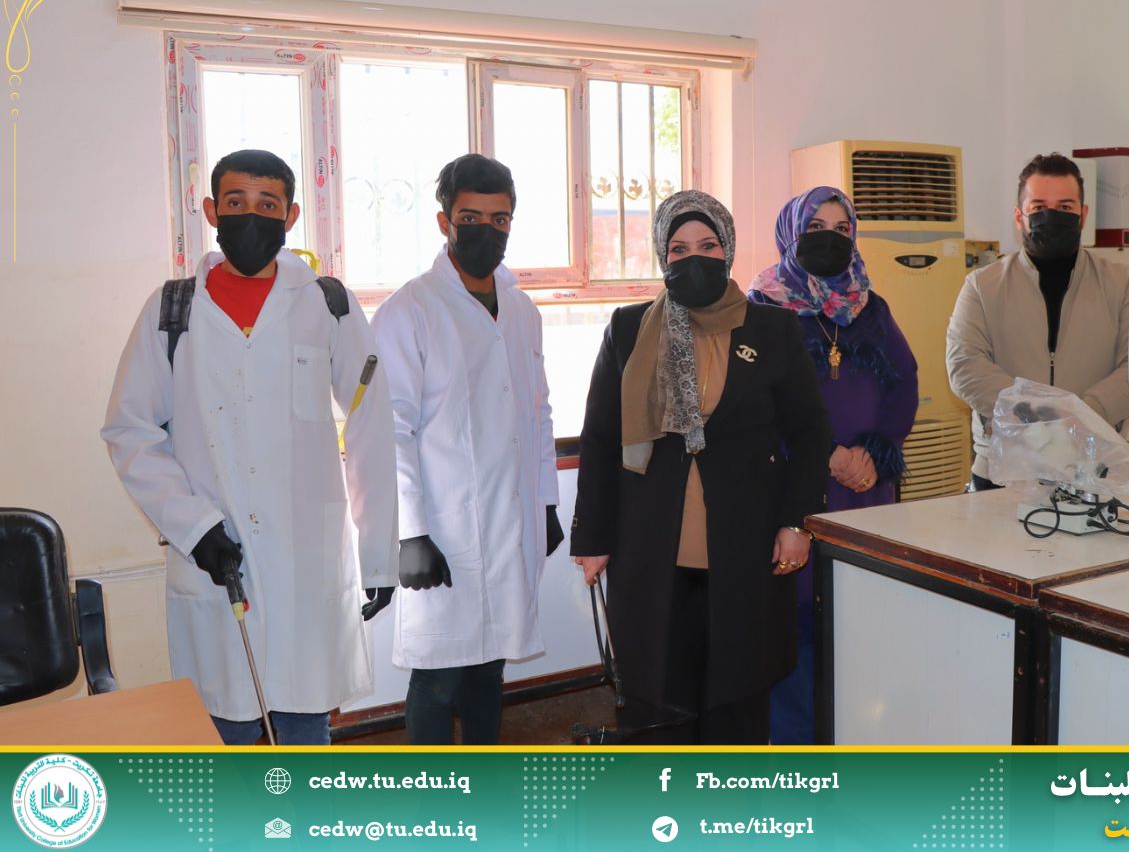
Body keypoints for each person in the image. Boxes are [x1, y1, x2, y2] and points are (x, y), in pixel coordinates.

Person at [102, 149, 397, 745]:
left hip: (305, 559)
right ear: (212, 211)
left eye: (268, 205)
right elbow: (130, 430)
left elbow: (371, 421)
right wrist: (194, 528)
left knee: (304, 725)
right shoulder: (171, 309)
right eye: (236, 202)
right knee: (226, 730)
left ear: (291, 216)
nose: (251, 217)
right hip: (216, 556)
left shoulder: (328, 304)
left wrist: (379, 552)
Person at [570, 190, 831, 745]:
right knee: (657, 697)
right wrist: (592, 538)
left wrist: (797, 522)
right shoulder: (628, 328)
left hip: (745, 545)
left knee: (738, 692)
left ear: (727, 250)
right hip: (650, 545)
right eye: (680, 248)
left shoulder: (774, 329)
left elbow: (811, 433)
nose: (695, 258)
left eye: (708, 245)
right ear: (663, 257)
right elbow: (600, 438)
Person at [371, 153, 562, 745]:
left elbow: (538, 412)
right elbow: (388, 430)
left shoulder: (522, 310)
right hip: (442, 526)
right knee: (436, 677)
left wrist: (546, 502)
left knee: (489, 667)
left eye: (499, 219)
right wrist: (410, 533)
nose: (487, 230)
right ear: (444, 221)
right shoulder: (409, 310)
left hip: (511, 518)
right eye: (471, 217)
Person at [748, 185, 918, 743]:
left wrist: (875, 450)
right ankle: (798, 756)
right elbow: (756, 400)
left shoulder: (870, 306)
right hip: (796, 492)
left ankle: (856, 742)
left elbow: (905, 382)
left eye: (841, 228)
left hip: (864, 492)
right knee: (795, 633)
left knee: (861, 624)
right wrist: (825, 455)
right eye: (815, 227)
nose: (830, 238)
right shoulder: (761, 307)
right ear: (790, 234)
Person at [946, 152, 1129, 490]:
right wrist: (1036, 414)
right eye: (1039, 206)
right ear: (1019, 217)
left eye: (1065, 207)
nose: (1051, 216)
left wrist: (1082, 415)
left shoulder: (1124, 284)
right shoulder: (982, 286)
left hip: (1096, 466)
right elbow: (964, 365)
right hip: (1004, 470)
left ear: (1083, 215)